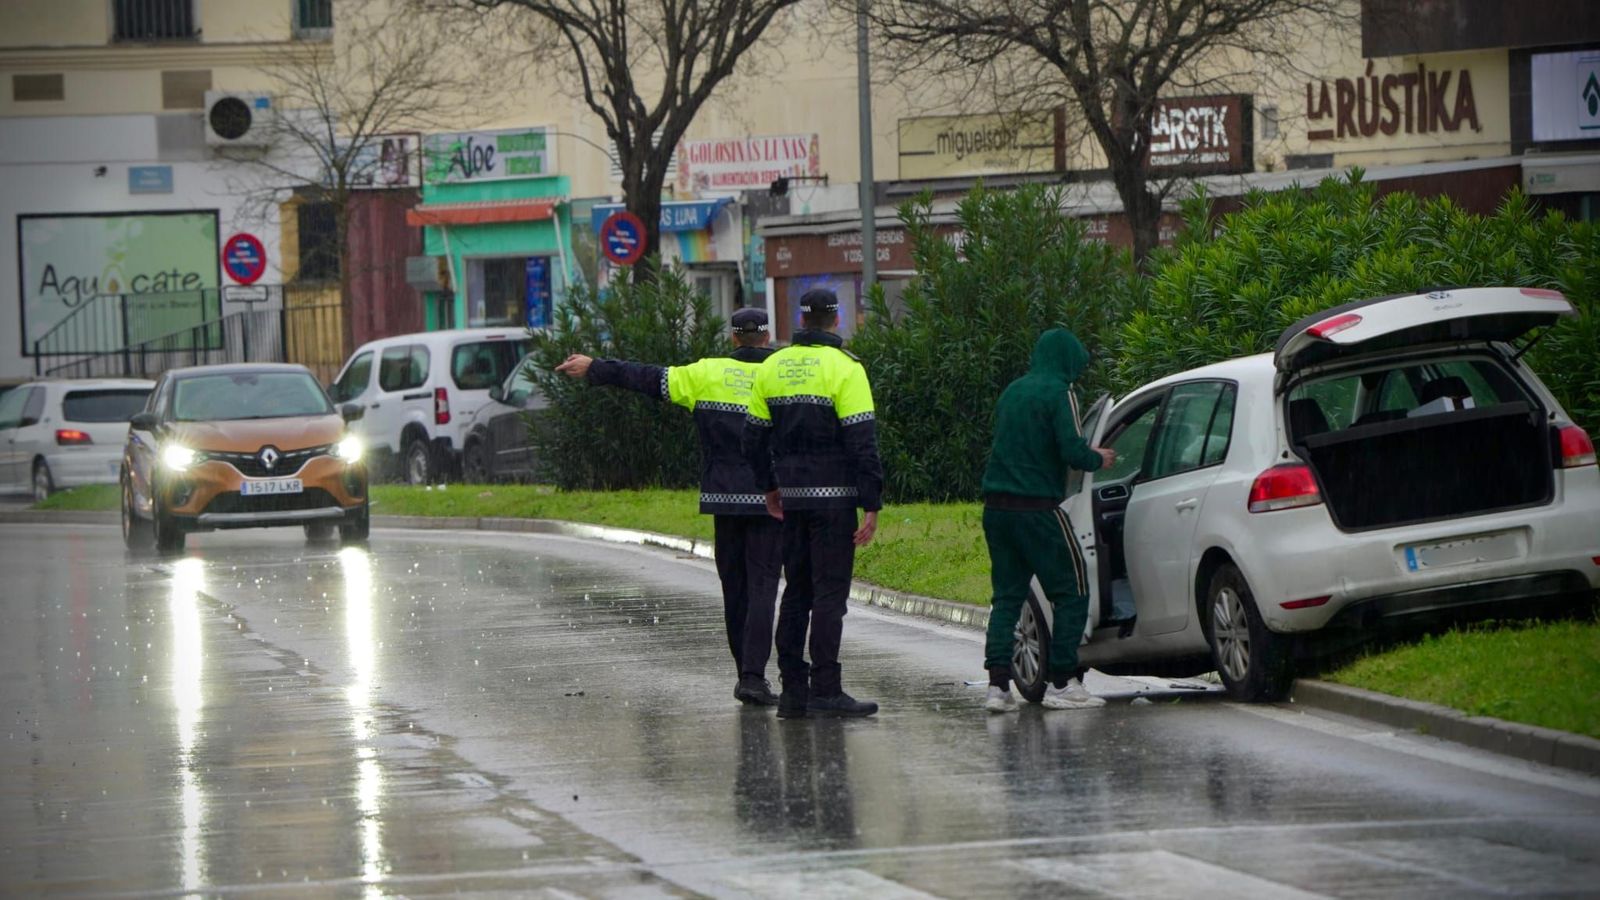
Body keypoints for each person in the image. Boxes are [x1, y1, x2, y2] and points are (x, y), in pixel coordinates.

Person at [555, 308, 783, 706]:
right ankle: (753, 675)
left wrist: (596, 368)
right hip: (772, 499)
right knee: (763, 587)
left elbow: (646, 377)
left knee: (735, 589)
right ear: (766, 337)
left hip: (723, 499)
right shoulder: (783, 373)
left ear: (733, 338)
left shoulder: (706, 374)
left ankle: (745, 673)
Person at [742, 288, 884, 719]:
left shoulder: (773, 366)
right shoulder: (846, 369)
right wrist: (871, 502)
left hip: (793, 502)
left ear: (800, 320)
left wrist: (769, 486)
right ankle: (826, 687)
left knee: (797, 592)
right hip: (835, 503)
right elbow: (863, 442)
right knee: (829, 595)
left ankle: (791, 691)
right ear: (834, 318)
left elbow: (752, 438)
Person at [979, 328, 1117, 714]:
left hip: (997, 510)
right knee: (1072, 591)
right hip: (1037, 510)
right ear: (1067, 361)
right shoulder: (1060, 392)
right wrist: (1098, 459)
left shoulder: (1012, 391)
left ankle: (997, 687)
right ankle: (1062, 681)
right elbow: (1072, 449)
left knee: (1007, 597)